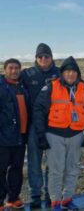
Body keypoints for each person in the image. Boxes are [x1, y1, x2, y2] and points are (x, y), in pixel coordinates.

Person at [33, 56, 84, 211]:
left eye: (74, 71)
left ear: (77, 73)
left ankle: (67, 199)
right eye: (67, 71)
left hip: (76, 134)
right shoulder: (51, 86)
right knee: (56, 169)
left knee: (72, 169)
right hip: (55, 135)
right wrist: (41, 135)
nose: (70, 74)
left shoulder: (83, 87)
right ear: (62, 73)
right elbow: (39, 110)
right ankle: (55, 202)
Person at [20, 43, 59, 209]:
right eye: (40, 56)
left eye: (47, 56)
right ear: (36, 58)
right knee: (34, 163)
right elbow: (10, 81)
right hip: (33, 126)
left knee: (52, 163)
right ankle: (35, 195)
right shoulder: (27, 74)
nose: (43, 59)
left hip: (54, 126)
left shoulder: (59, 74)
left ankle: (51, 193)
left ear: (51, 58)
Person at [0, 59, 29, 210]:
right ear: (5, 70)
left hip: (20, 136)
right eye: (11, 68)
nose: (14, 71)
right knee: (1, 169)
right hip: (4, 137)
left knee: (17, 169)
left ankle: (13, 198)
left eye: (17, 68)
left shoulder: (22, 87)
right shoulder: (1, 87)